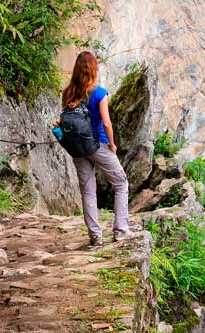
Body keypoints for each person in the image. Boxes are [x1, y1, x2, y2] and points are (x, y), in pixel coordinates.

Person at [58, 51, 131, 246]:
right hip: (98, 144)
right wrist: (113, 144)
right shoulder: (99, 93)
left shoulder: (68, 93)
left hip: (77, 149)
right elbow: (106, 122)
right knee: (121, 184)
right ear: (93, 70)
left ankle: (95, 236)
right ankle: (121, 231)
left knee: (88, 192)